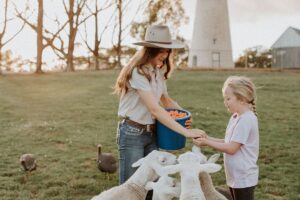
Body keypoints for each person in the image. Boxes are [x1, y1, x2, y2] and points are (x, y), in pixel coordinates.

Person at [114, 25, 205, 186]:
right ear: (149, 50)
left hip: (152, 133)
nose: (165, 54)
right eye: (161, 50)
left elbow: (167, 102)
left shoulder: (157, 73)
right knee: (131, 185)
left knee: (152, 182)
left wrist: (184, 116)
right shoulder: (138, 72)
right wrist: (186, 132)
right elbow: (155, 109)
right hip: (132, 133)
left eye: (167, 51)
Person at [193, 76, 259, 200]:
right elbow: (228, 141)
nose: (225, 102)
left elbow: (232, 148)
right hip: (235, 176)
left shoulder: (246, 120)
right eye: (224, 98)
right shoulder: (236, 117)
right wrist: (208, 139)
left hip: (244, 177)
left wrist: (207, 142)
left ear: (242, 99)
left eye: (228, 98)